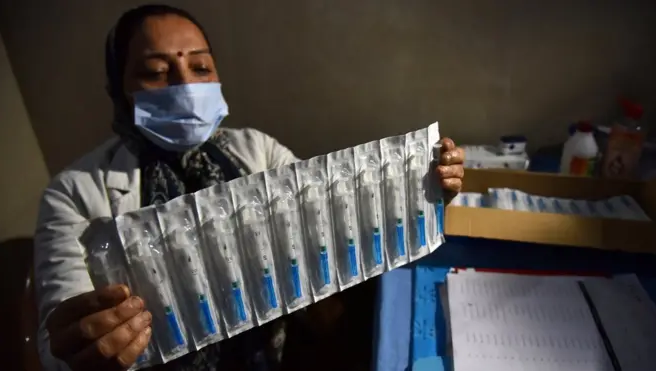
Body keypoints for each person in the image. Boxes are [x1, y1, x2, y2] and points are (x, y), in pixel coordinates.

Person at [34, 4, 465, 371]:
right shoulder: (73, 193)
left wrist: (417, 193)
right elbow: (58, 334)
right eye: (154, 72)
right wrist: (81, 346)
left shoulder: (257, 150)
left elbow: (338, 221)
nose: (184, 83)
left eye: (200, 67)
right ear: (119, 91)